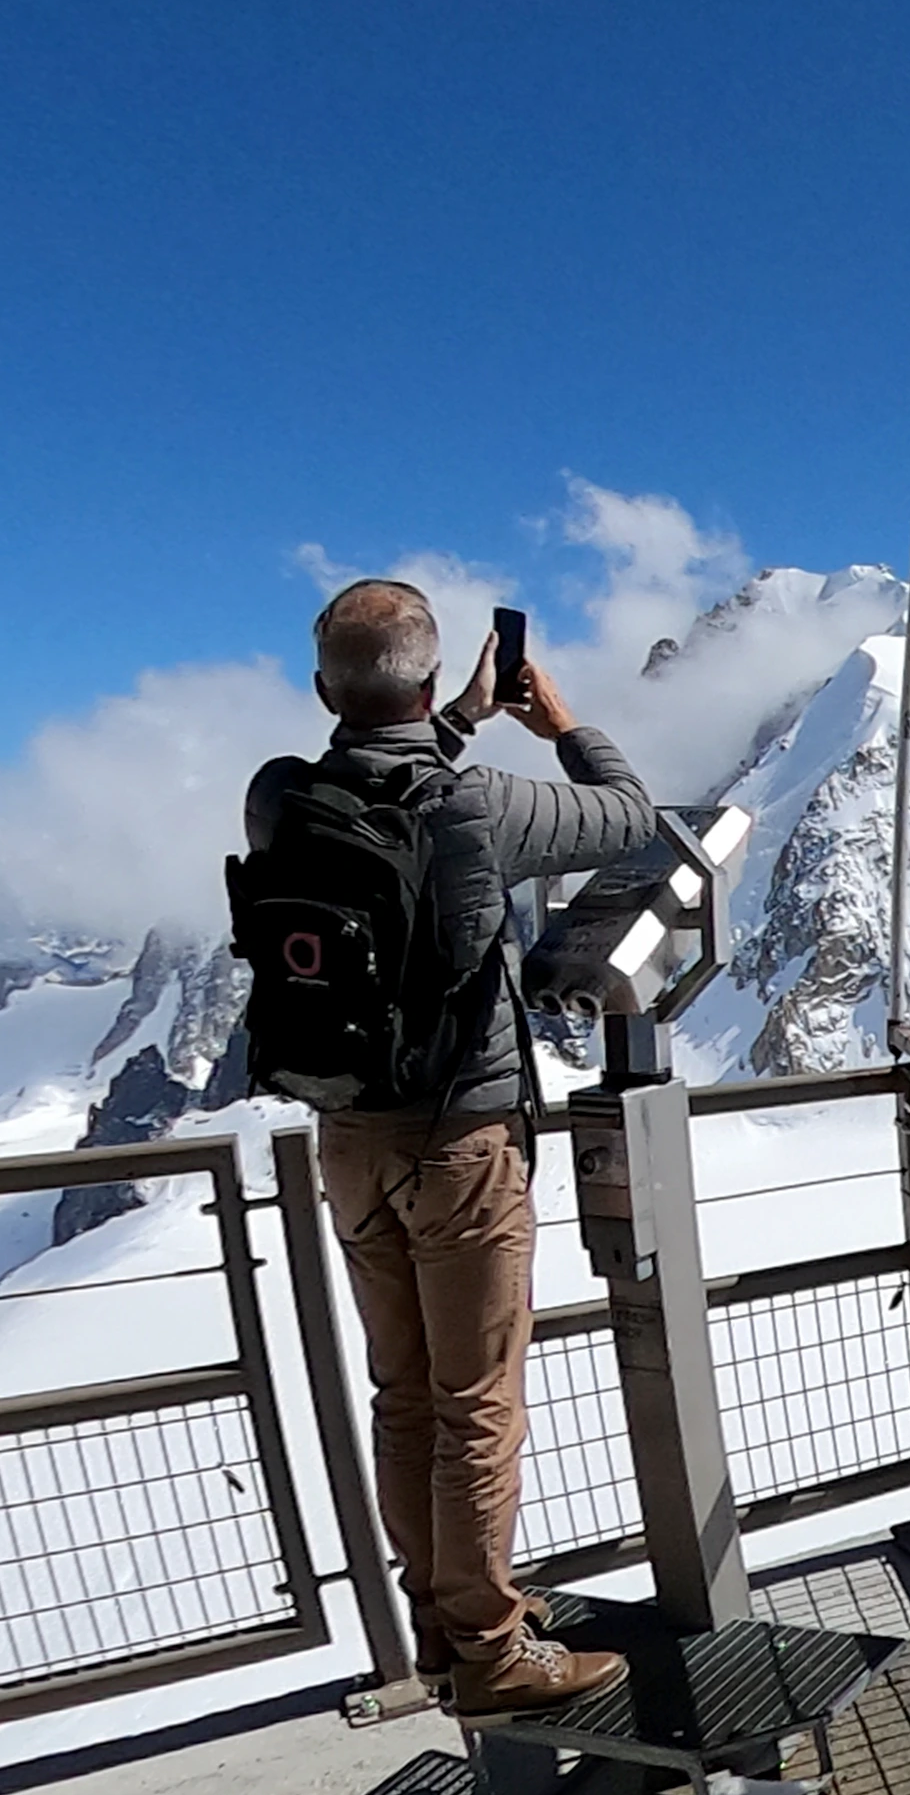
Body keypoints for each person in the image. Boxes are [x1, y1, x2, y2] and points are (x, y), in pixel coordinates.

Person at [242, 578, 656, 1714]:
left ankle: (438, 1620)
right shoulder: (481, 805)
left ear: (322, 686)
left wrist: (450, 715)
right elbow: (631, 813)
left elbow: (372, 782)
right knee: (479, 1400)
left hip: (346, 1141)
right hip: (462, 1144)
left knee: (404, 1392)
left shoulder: (278, 798)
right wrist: (556, 719)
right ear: (428, 681)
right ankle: (489, 1650)